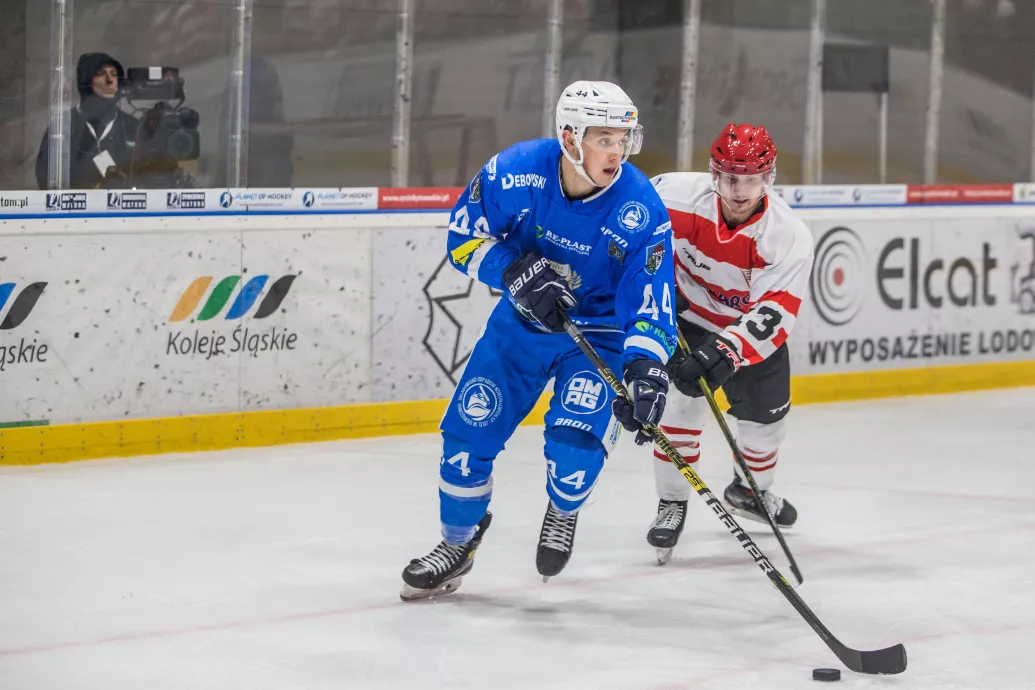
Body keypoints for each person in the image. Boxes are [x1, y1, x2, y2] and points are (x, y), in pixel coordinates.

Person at [400, 81, 679, 600]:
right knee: (467, 437)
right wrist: (512, 271)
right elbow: (463, 239)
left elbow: (651, 299)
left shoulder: (641, 207)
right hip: (522, 325)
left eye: (624, 140)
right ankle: (457, 545)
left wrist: (646, 368)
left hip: (600, 334)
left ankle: (563, 508)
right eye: (604, 139)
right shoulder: (514, 171)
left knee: (574, 455)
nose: (617, 152)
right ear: (570, 137)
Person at [645, 123, 815, 564]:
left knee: (765, 428)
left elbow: (774, 310)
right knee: (679, 409)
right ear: (713, 174)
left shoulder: (786, 234)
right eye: (730, 178)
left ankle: (749, 491)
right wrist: (653, 280)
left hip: (749, 334)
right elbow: (628, 231)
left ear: (769, 178)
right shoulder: (670, 195)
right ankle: (672, 502)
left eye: (751, 180)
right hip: (687, 319)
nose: (739, 191)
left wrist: (725, 350)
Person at [35, 52, 139, 190]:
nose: (110, 81)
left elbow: (147, 176)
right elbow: (46, 177)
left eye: (114, 74)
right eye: (100, 74)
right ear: (86, 81)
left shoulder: (132, 126)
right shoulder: (62, 125)